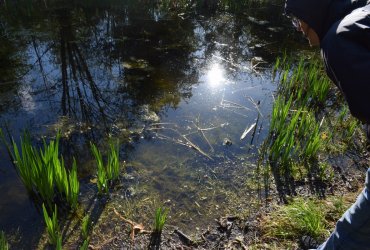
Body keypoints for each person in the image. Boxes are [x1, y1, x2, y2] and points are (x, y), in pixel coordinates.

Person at [284, 0, 370, 249]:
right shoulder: (361, 15)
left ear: (312, 11)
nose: (298, 28)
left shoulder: (337, 41)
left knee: (351, 233)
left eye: (297, 19)